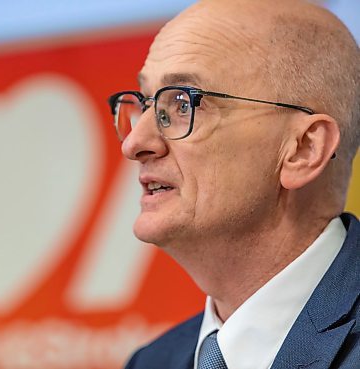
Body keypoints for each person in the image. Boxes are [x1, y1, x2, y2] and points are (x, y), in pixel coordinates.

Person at [108, 0, 359, 367]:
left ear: (303, 149)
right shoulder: (151, 361)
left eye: (184, 103)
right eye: (147, 104)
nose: (133, 144)